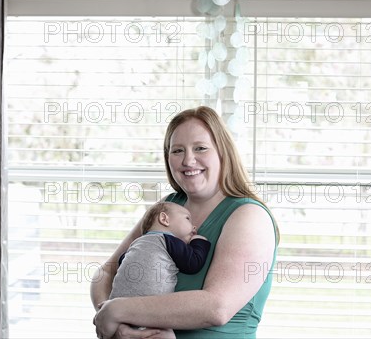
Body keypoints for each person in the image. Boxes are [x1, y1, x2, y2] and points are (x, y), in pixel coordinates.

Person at [92, 106, 279, 339]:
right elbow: (106, 272)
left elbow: (217, 307)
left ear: (223, 152)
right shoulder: (167, 207)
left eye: (200, 148)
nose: (188, 160)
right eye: (177, 150)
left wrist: (117, 310)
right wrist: (113, 322)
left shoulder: (249, 216)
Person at [109, 200, 211, 300]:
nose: (194, 226)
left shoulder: (136, 243)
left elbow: (122, 261)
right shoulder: (168, 241)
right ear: (164, 219)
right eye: (187, 218)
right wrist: (199, 241)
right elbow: (193, 263)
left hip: (116, 304)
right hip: (147, 308)